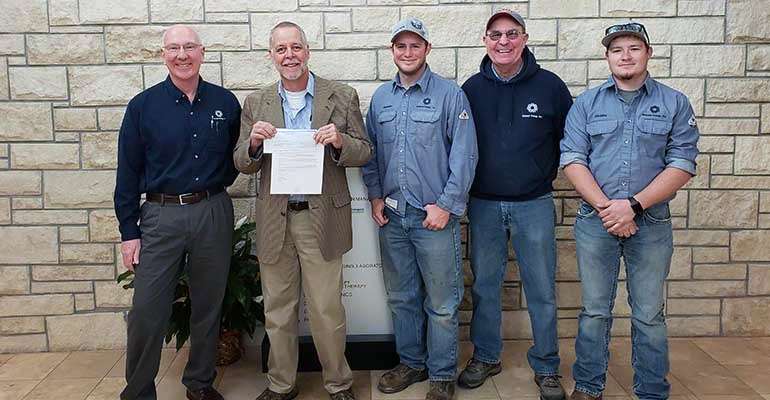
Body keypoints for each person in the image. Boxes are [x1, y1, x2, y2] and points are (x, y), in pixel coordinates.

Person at [233, 21, 372, 400]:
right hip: (275, 220)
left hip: (321, 218)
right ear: (271, 55)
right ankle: (281, 384)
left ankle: (338, 383)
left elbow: (364, 150)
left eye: (296, 47)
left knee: (327, 309)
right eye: (281, 49)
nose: (289, 55)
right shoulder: (256, 103)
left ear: (307, 51)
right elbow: (242, 162)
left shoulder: (341, 96)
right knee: (278, 309)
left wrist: (340, 141)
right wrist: (254, 144)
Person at [560, 22, 699, 400]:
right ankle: (588, 387)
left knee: (649, 313)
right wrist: (609, 209)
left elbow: (682, 163)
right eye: (617, 49)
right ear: (607, 56)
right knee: (594, 310)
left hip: (651, 222)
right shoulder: (586, 104)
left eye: (634, 48)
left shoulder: (674, 103)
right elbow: (573, 159)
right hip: (596, 221)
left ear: (648, 53)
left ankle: (651, 391)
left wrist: (634, 206)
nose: (625, 55)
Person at [114, 25, 241, 400]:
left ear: (202, 52)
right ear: (163, 55)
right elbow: (127, 172)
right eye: (173, 48)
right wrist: (129, 232)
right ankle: (138, 391)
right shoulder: (143, 106)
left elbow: (236, 160)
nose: (182, 55)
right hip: (160, 215)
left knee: (208, 305)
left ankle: (199, 383)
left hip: (213, 211)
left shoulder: (225, 102)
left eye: (189, 47)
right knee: (147, 310)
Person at [362, 18, 478, 400]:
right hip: (393, 217)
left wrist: (446, 206)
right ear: (392, 51)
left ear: (427, 49)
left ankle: (442, 374)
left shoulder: (450, 95)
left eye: (415, 45)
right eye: (401, 46)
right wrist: (375, 197)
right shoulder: (381, 98)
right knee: (402, 297)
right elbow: (371, 154)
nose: (408, 52)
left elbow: (465, 156)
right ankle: (412, 363)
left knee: (442, 303)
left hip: (434, 219)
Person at [459, 9, 573, 400]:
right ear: (485, 41)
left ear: (524, 38)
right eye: (495, 35)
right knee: (485, 287)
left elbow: (572, 143)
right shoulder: (470, 90)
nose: (503, 41)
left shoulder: (551, 87)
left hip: (534, 204)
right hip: (484, 205)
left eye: (511, 34)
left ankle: (547, 366)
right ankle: (486, 356)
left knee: (541, 289)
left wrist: (543, 173)